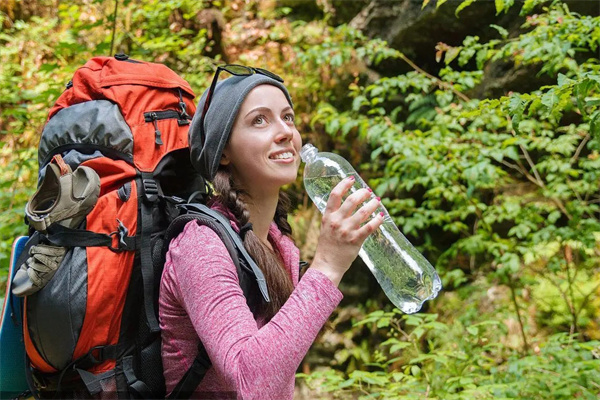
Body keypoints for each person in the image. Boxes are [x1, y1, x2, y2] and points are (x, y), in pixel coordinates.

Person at [159, 65, 384, 400]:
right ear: (223, 153)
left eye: (288, 118)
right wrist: (327, 266)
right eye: (259, 120)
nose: (285, 133)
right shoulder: (200, 245)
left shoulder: (280, 246)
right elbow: (253, 381)